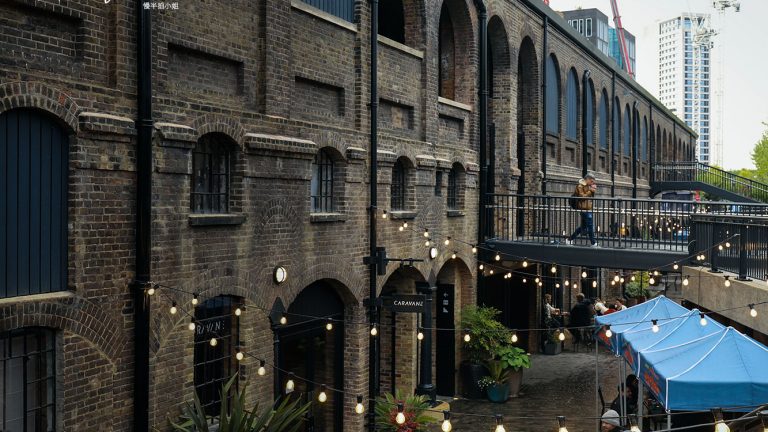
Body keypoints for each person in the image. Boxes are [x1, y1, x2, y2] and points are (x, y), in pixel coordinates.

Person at [566, 173, 599, 247]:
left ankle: (569, 239)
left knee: (583, 227)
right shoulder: (580, 186)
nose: (592, 183)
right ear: (587, 179)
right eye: (591, 181)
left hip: (588, 208)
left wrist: (593, 191)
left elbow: (591, 197)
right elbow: (581, 197)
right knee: (590, 225)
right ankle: (593, 243)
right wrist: (590, 191)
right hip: (583, 208)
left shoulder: (588, 186)